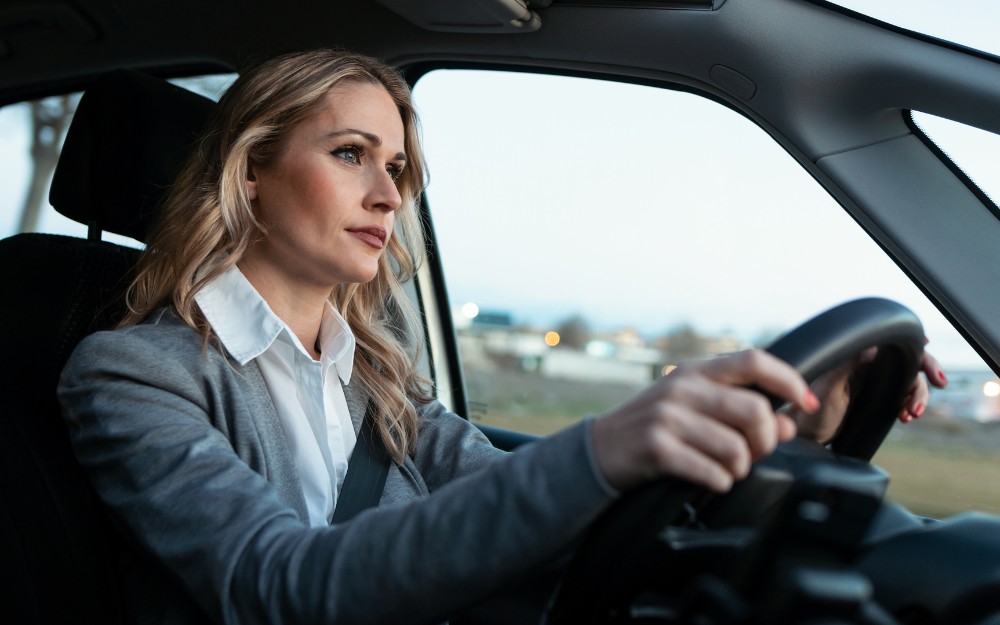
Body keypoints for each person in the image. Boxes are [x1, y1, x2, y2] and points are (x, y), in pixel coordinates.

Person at [58, 49, 946, 625]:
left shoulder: (376, 376)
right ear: (251, 173)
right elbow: (279, 589)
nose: (388, 195)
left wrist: (778, 414)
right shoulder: (132, 374)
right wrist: (609, 442)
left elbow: (521, 503)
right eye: (350, 154)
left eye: (397, 167)